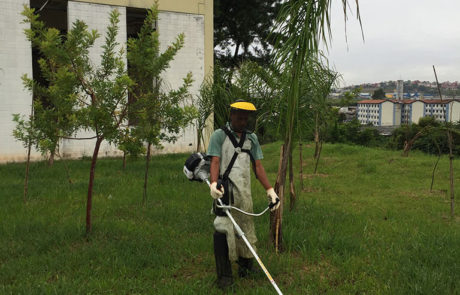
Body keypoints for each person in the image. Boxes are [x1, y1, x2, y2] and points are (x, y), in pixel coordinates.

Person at [206, 100, 280, 289]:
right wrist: (214, 184)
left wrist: (270, 190)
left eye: (245, 118)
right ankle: (224, 276)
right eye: (239, 116)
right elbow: (215, 161)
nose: (242, 120)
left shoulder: (252, 139)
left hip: (244, 193)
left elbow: (258, 166)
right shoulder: (219, 136)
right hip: (225, 193)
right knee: (223, 230)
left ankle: (246, 267)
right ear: (232, 115)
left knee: (246, 230)